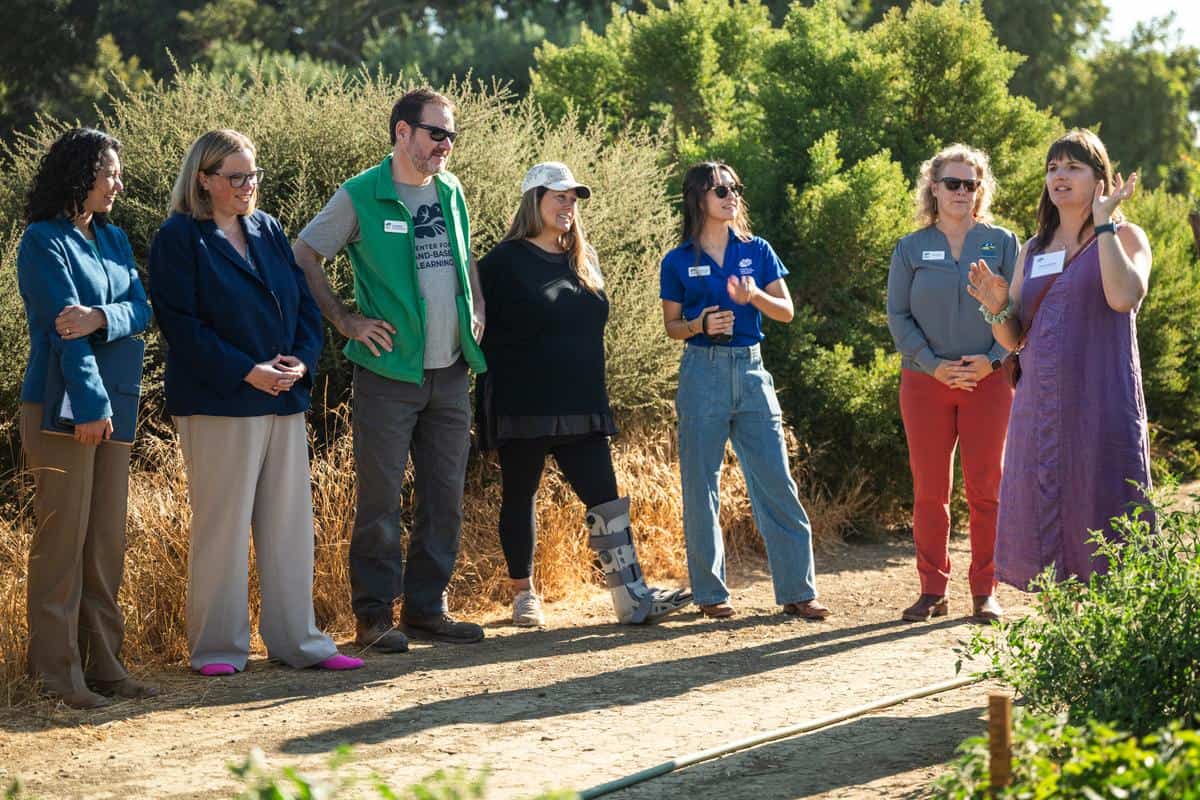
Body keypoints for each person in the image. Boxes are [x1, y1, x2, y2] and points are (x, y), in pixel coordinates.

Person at [149, 129, 362, 676]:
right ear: (204, 180)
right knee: (222, 529)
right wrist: (247, 371)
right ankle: (218, 650)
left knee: (289, 527)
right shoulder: (179, 238)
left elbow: (303, 307)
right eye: (236, 177)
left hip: (282, 401)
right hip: (219, 402)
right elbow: (181, 325)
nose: (248, 186)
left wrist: (301, 362)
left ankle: (300, 644)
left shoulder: (267, 228)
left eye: (253, 176)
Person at [293, 88, 487, 650]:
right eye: (436, 134)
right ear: (402, 133)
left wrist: (476, 305)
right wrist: (346, 320)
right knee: (379, 500)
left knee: (445, 495)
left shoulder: (451, 189)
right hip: (387, 375)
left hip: (451, 373)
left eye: (451, 135)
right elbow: (306, 254)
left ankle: (428, 608)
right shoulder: (360, 195)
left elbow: (466, 253)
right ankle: (374, 617)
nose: (446, 145)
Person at [477, 162, 692, 626]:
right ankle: (524, 596)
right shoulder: (501, 261)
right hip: (523, 400)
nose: (568, 206)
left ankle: (632, 596)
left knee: (605, 500)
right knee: (520, 494)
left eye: (573, 199)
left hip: (582, 400)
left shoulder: (583, 257)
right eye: (559, 197)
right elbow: (476, 328)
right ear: (534, 200)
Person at [967, 129, 1154, 588]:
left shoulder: (1127, 236)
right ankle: (1064, 643)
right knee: (1045, 517)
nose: (1060, 176)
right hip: (1040, 407)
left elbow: (1123, 296)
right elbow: (1013, 338)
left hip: (1102, 401)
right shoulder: (1033, 249)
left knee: (1105, 504)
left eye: (1073, 167)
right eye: (1053, 168)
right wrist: (997, 308)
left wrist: (1105, 224)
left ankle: (1112, 640)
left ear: (1100, 179)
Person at [16, 128, 158, 708]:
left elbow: (141, 310)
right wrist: (91, 408)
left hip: (116, 408)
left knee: (103, 546)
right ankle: (57, 677)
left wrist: (101, 315)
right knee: (61, 547)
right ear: (79, 175)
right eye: (110, 173)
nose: (118, 183)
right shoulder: (42, 241)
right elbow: (63, 334)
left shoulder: (115, 238)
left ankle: (106, 666)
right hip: (63, 410)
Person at [659, 161, 831, 621]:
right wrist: (700, 324)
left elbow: (787, 312)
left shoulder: (758, 250)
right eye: (720, 190)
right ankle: (712, 595)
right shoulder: (677, 260)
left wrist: (754, 296)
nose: (731, 195)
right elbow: (672, 327)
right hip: (702, 373)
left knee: (776, 481)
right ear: (698, 198)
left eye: (735, 188)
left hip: (752, 372)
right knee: (701, 487)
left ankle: (799, 590)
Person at [886, 144, 1019, 622]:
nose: (962, 191)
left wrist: (993, 359)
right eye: (953, 183)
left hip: (989, 380)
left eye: (971, 183)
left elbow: (1018, 312)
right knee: (929, 491)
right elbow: (897, 315)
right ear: (934, 188)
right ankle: (931, 590)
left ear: (980, 190)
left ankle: (985, 590)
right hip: (926, 381)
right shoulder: (910, 247)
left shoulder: (1003, 242)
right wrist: (929, 363)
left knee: (987, 488)